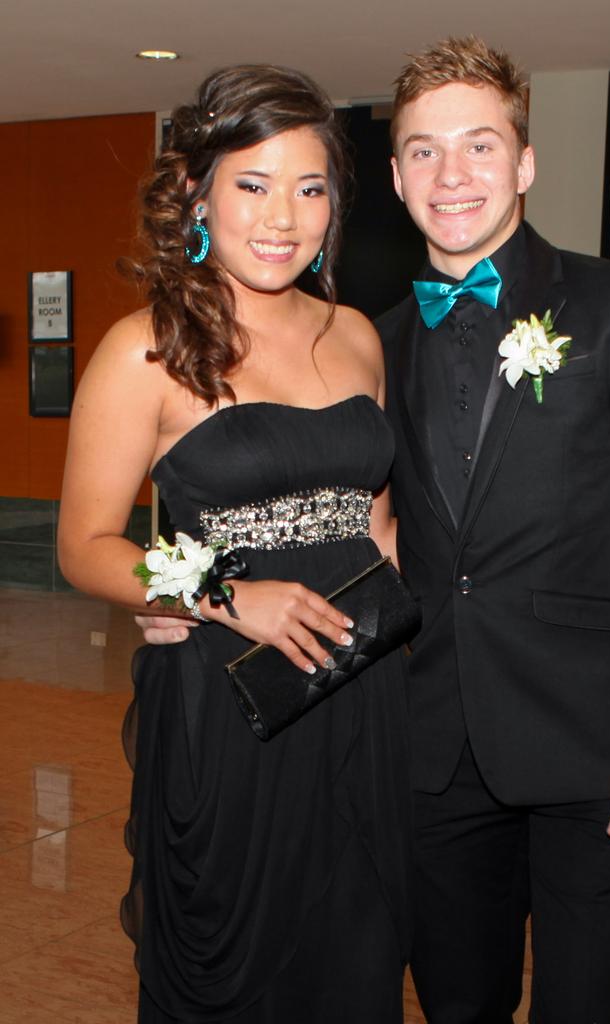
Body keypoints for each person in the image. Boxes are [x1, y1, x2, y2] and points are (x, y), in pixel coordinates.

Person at [372, 36, 610, 1024]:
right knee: (456, 1006)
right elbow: (353, 532)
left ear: (524, 162)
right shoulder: (373, 340)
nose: (454, 174)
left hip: (600, 748)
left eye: (480, 145)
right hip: (435, 754)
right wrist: (208, 597)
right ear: (397, 176)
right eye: (425, 151)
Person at [57, 64, 412, 1023]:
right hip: (228, 701)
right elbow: (84, 544)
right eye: (252, 184)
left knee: (355, 958)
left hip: (360, 698)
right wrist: (218, 593)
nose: (282, 216)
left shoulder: (357, 338)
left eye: (310, 187)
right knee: (232, 968)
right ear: (197, 194)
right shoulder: (146, 349)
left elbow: (373, 520)